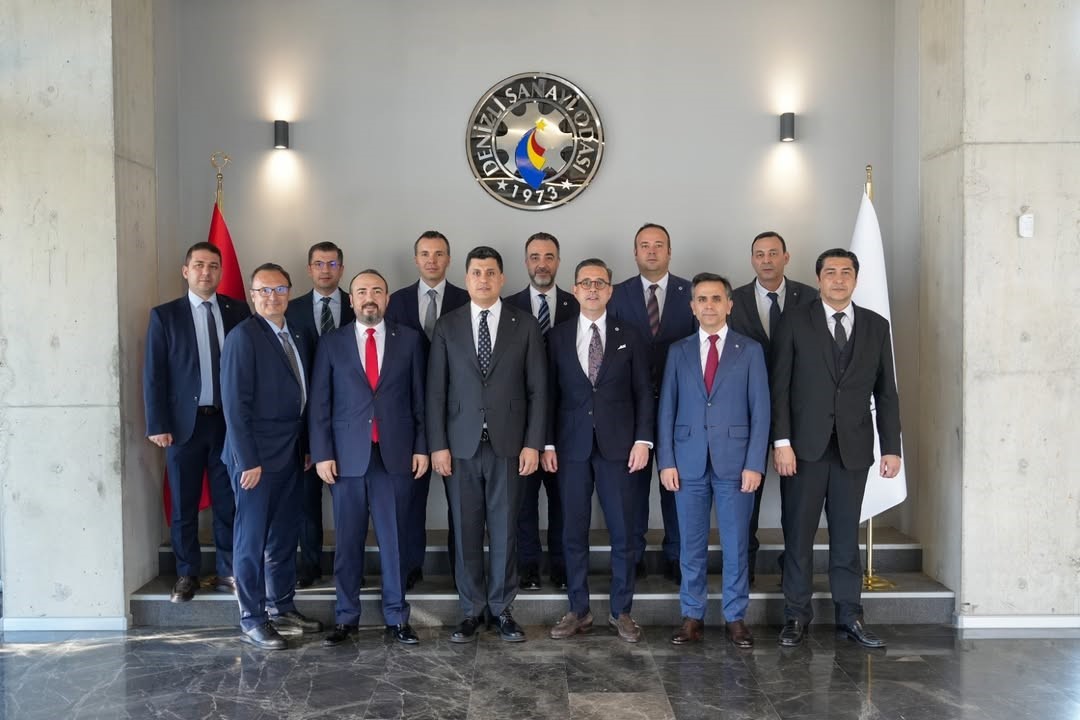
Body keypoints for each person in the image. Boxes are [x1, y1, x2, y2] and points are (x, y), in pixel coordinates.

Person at [771, 248, 902, 649]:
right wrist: (781, 442)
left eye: (846, 272)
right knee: (799, 536)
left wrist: (892, 447)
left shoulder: (876, 326)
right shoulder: (794, 321)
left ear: (856, 279)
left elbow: (887, 392)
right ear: (818, 279)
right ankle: (796, 615)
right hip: (803, 449)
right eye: (830, 272)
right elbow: (779, 387)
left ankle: (850, 616)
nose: (839, 279)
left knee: (846, 538)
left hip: (854, 449)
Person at [426, 246, 547, 643]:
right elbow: (436, 392)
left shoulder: (524, 325)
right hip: (459, 447)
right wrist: (438, 445)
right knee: (465, 530)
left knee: (505, 529)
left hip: (509, 446)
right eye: (476, 272)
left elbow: (538, 390)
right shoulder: (448, 325)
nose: (483, 279)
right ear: (466, 279)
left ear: (502, 279)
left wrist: (533, 444)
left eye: (490, 272)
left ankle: (501, 609)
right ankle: (471, 610)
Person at [308, 270, 428, 646]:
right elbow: (320, 404)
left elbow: (420, 400)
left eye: (377, 290)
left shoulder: (409, 340)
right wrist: (323, 453)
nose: (369, 297)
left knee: (395, 542)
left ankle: (397, 617)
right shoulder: (332, 343)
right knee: (347, 542)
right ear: (351, 300)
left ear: (387, 298)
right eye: (361, 291)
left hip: (395, 456)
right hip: (346, 460)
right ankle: (346, 618)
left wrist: (422, 446)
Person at [657, 273, 770, 648]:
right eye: (702, 299)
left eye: (716, 298)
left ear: (729, 305)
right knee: (690, 545)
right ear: (692, 306)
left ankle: (735, 617)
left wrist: (755, 463)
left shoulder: (749, 350)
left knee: (736, 544)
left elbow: (761, 411)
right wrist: (666, 461)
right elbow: (667, 409)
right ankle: (692, 615)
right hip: (687, 462)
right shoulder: (678, 351)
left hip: (736, 464)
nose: (709, 305)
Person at [543, 258, 653, 643]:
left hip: (620, 448)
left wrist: (643, 440)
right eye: (586, 282)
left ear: (610, 290)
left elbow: (644, 392)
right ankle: (579, 610)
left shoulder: (631, 335)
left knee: (624, 531)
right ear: (575, 290)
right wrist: (547, 442)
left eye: (599, 283)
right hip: (570, 447)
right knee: (573, 531)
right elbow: (548, 395)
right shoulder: (557, 337)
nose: (592, 289)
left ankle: (622, 611)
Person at [221, 263, 322, 650]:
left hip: (292, 453)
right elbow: (235, 406)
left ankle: (281, 606)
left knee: (283, 536)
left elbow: (302, 396)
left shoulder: (296, 332)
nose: (272, 297)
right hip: (256, 460)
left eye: (279, 289)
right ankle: (252, 617)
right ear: (252, 295)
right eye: (263, 290)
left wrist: (307, 446)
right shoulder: (243, 337)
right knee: (251, 540)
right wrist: (248, 460)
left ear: (289, 292)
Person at [143, 241, 250, 603]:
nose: (206, 272)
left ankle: (228, 570)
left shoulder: (238, 311)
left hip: (226, 424)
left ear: (221, 272)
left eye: (213, 266)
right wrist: (157, 423)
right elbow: (154, 374)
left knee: (227, 501)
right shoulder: (165, 316)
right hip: (182, 426)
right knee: (183, 503)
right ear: (186, 271)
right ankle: (187, 573)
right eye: (200, 265)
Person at [727, 231, 817, 584]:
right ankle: (744, 570)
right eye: (760, 254)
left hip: (798, 412)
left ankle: (792, 569)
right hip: (743, 412)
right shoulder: (733, 300)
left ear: (786, 257)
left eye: (773, 253)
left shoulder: (809, 298)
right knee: (745, 495)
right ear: (752, 259)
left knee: (797, 499)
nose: (766, 260)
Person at [608, 223, 696, 583]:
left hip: (682, 408)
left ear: (670, 251)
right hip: (630, 409)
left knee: (678, 485)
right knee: (632, 488)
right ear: (635, 253)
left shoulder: (692, 293)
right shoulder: (617, 294)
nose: (652, 251)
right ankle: (633, 555)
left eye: (659, 245)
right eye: (644, 245)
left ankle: (677, 554)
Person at [385, 230, 470, 590]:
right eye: (425, 254)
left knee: (463, 504)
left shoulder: (467, 299)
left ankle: (461, 572)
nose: (432, 260)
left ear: (449, 259)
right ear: (415, 259)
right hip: (408, 417)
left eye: (438, 254)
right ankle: (409, 567)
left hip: (460, 415)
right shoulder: (396, 301)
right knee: (409, 500)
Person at [505, 231, 578, 592]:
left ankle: (561, 566)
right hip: (520, 422)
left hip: (566, 420)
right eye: (535, 257)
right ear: (526, 262)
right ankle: (528, 566)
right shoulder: (507, 307)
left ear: (558, 262)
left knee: (563, 500)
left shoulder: (577, 303)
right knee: (523, 501)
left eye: (549, 257)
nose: (542, 264)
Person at [285, 241, 355, 589]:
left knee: (351, 503)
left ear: (341, 268)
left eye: (332, 264)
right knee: (306, 500)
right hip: (304, 419)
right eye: (318, 264)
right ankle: (309, 566)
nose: (325, 270)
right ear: (309, 269)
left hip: (352, 420)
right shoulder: (290, 309)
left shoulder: (359, 305)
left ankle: (350, 568)